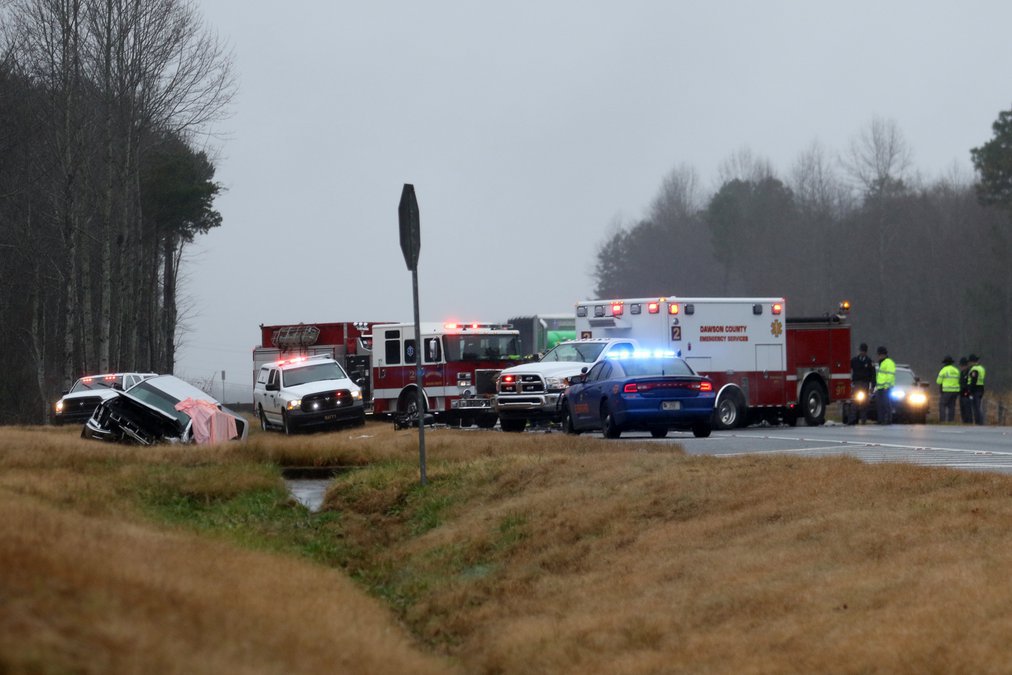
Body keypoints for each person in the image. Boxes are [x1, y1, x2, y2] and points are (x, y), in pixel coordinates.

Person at [848, 342, 876, 424]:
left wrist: (872, 386)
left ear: (866, 352)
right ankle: (852, 419)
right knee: (854, 402)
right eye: (861, 351)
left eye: (863, 351)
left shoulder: (869, 361)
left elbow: (873, 374)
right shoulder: (854, 360)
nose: (862, 353)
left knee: (864, 403)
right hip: (856, 383)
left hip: (865, 383)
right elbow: (848, 368)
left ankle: (863, 419)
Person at [935, 355, 960, 423]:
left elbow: (938, 381)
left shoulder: (944, 370)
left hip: (947, 390)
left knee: (942, 404)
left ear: (945, 363)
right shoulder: (956, 370)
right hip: (955, 391)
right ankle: (951, 421)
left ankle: (942, 420)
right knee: (952, 406)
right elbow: (959, 380)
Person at [875, 346, 896, 425]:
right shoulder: (882, 362)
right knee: (881, 405)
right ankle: (881, 420)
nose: (878, 356)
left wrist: (886, 386)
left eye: (879, 354)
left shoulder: (889, 362)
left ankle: (887, 420)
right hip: (880, 387)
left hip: (886, 388)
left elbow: (890, 375)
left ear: (882, 354)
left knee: (886, 404)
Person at [968, 354, 987, 425]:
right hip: (981, 388)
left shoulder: (974, 369)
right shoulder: (981, 368)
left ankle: (978, 422)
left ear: (972, 362)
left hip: (975, 390)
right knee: (978, 406)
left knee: (976, 407)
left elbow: (973, 380)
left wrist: (970, 391)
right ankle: (980, 422)